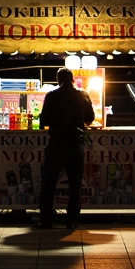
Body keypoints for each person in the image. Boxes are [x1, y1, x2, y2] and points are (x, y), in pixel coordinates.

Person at [38, 68, 94, 229]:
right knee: (75, 184)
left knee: (49, 182)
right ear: (72, 79)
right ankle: (72, 221)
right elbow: (90, 118)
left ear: (58, 80)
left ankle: (46, 220)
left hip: (57, 144)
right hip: (75, 144)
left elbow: (44, 121)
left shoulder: (51, 96)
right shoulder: (83, 95)